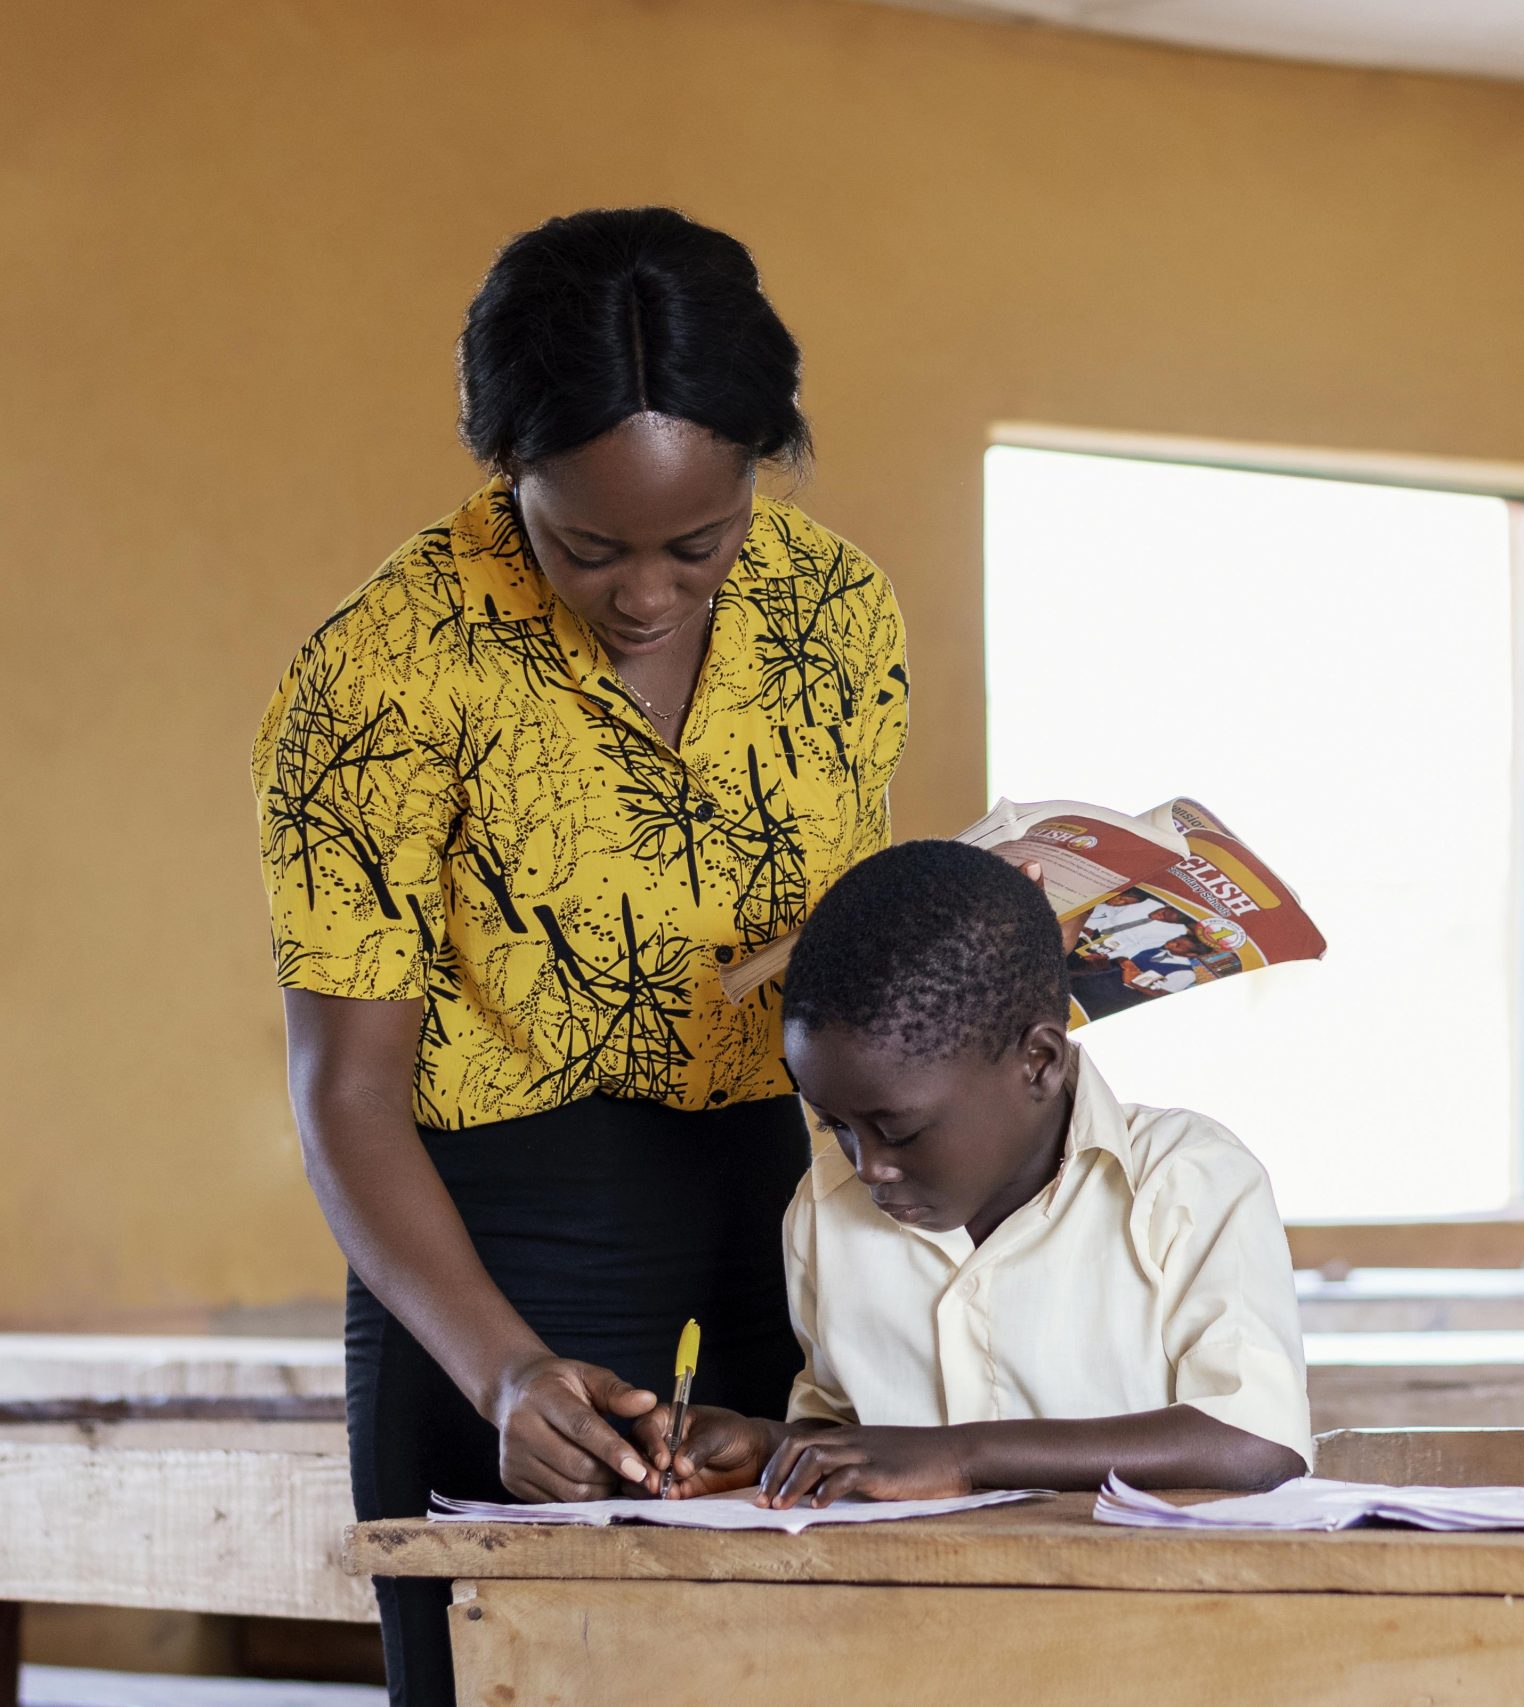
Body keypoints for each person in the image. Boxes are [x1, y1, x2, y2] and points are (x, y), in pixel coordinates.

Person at [250, 208, 907, 1703]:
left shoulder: (838, 618)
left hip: (782, 1233)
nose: (648, 593)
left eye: (701, 539)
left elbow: (830, 958)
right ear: (509, 470)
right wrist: (502, 1370)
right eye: (587, 542)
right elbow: (347, 1093)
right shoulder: (383, 670)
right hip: (478, 1256)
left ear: (760, 469)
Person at [637, 841, 1312, 1503]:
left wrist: (963, 1456)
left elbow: (1255, 1441)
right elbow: (848, 1430)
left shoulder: (1187, 1181)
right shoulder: (824, 1210)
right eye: (833, 1125)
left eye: (900, 1130)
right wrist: (768, 1446)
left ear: (1039, 1063)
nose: (869, 1167)